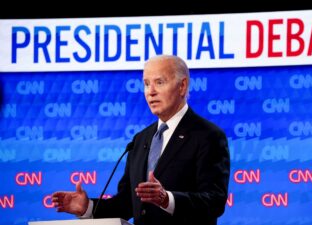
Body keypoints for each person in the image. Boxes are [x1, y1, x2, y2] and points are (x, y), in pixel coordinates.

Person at [52, 55, 230, 225]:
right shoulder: (140, 139)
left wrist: (167, 199)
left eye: (159, 82)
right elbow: (126, 204)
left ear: (182, 86)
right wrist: (87, 208)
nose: (150, 92)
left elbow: (214, 201)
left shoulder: (208, 135)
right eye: (146, 84)